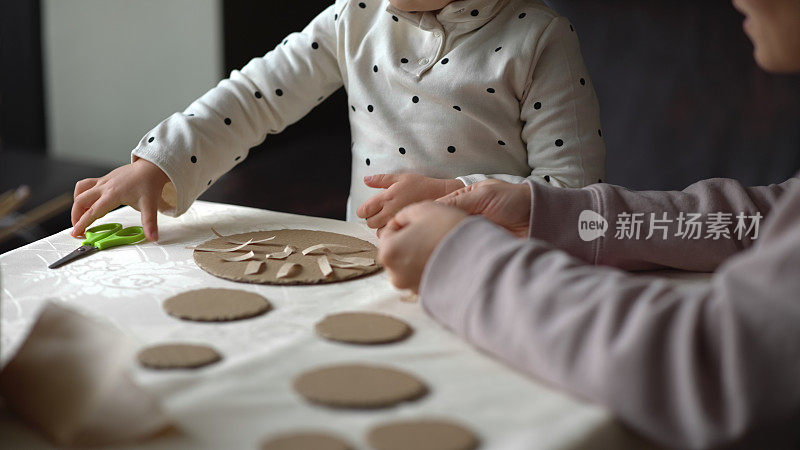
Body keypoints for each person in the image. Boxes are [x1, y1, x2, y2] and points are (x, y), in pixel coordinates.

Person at [378, 0, 800, 447]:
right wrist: (556, 217)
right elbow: (761, 221)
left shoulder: (537, 34)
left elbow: (713, 365)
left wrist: (460, 261)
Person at [69, 0, 605, 242]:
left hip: (499, 271)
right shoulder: (355, 16)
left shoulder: (540, 40)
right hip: (365, 257)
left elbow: (576, 193)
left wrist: (457, 195)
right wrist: (161, 161)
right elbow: (256, 95)